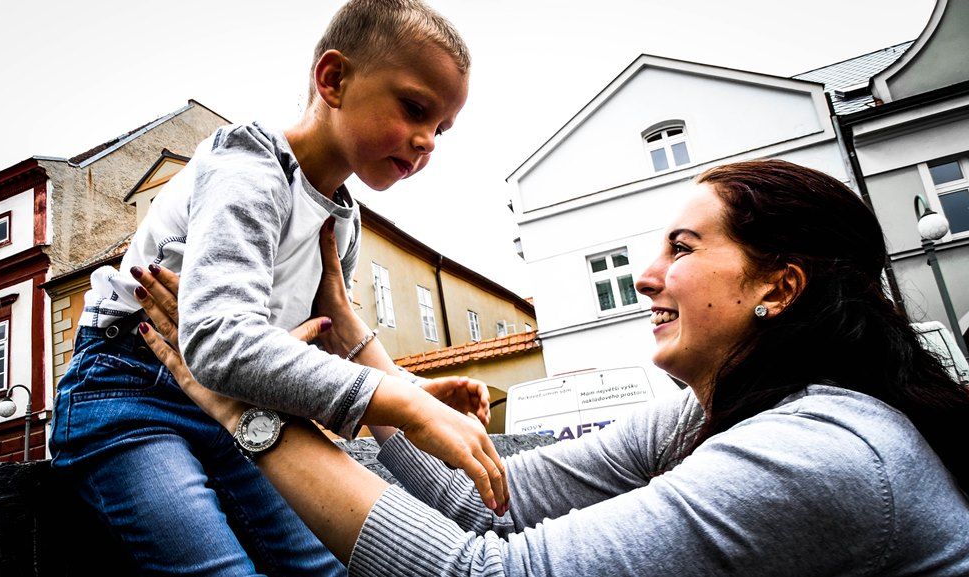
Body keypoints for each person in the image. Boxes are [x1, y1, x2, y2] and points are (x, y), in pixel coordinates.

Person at [137, 159, 969, 576]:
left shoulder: (820, 454)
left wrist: (246, 412)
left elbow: (484, 573)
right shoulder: (705, 414)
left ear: (778, 288)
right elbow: (481, 501)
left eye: (683, 249)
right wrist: (354, 340)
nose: (646, 276)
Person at [49, 2, 508, 575]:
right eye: (415, 109)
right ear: (333, 79)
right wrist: (401, 403)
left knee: (328, 566)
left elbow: (327, 341)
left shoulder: (343, 221)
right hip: (132, 389)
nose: (428, 142)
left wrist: (412, 389)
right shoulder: (248, 162)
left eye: (440, 128)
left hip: (239, 408)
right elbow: (220, 339)